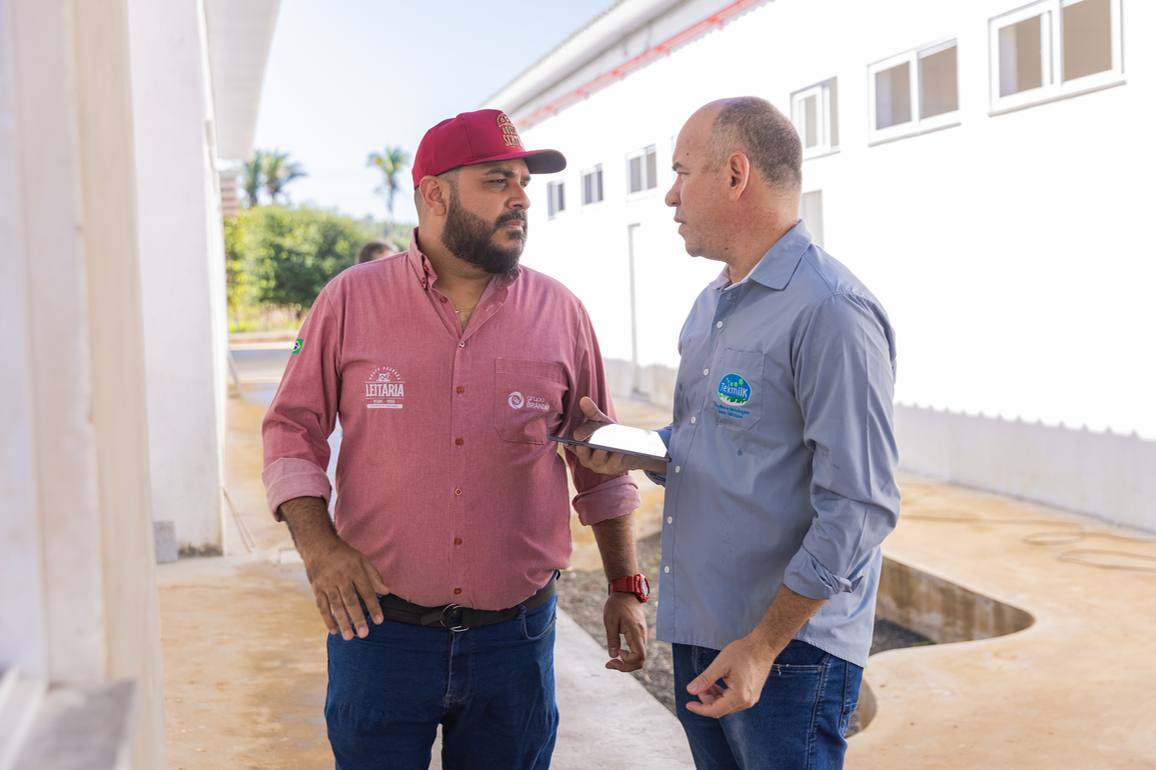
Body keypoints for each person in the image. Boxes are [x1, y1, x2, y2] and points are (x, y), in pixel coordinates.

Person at [262, 108, 650, 770]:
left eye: (525, 182)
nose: (522, 197)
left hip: (517, 643)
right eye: (498, 180)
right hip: (379, 636)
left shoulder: (561, 314)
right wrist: (320, 549)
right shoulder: (348, 302)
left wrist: (625, 584)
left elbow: (600, 466)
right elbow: (289, 430)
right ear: (435, 195)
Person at [567, 96, 900, 770]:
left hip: (786, 654)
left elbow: (862, 504)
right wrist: (631, 446)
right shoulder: (711, 306)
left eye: (682, 172)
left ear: (735, 174)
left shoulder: (831, 312)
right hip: (703, 631)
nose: (668, 196)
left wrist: (765, 644)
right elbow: (712, 441)